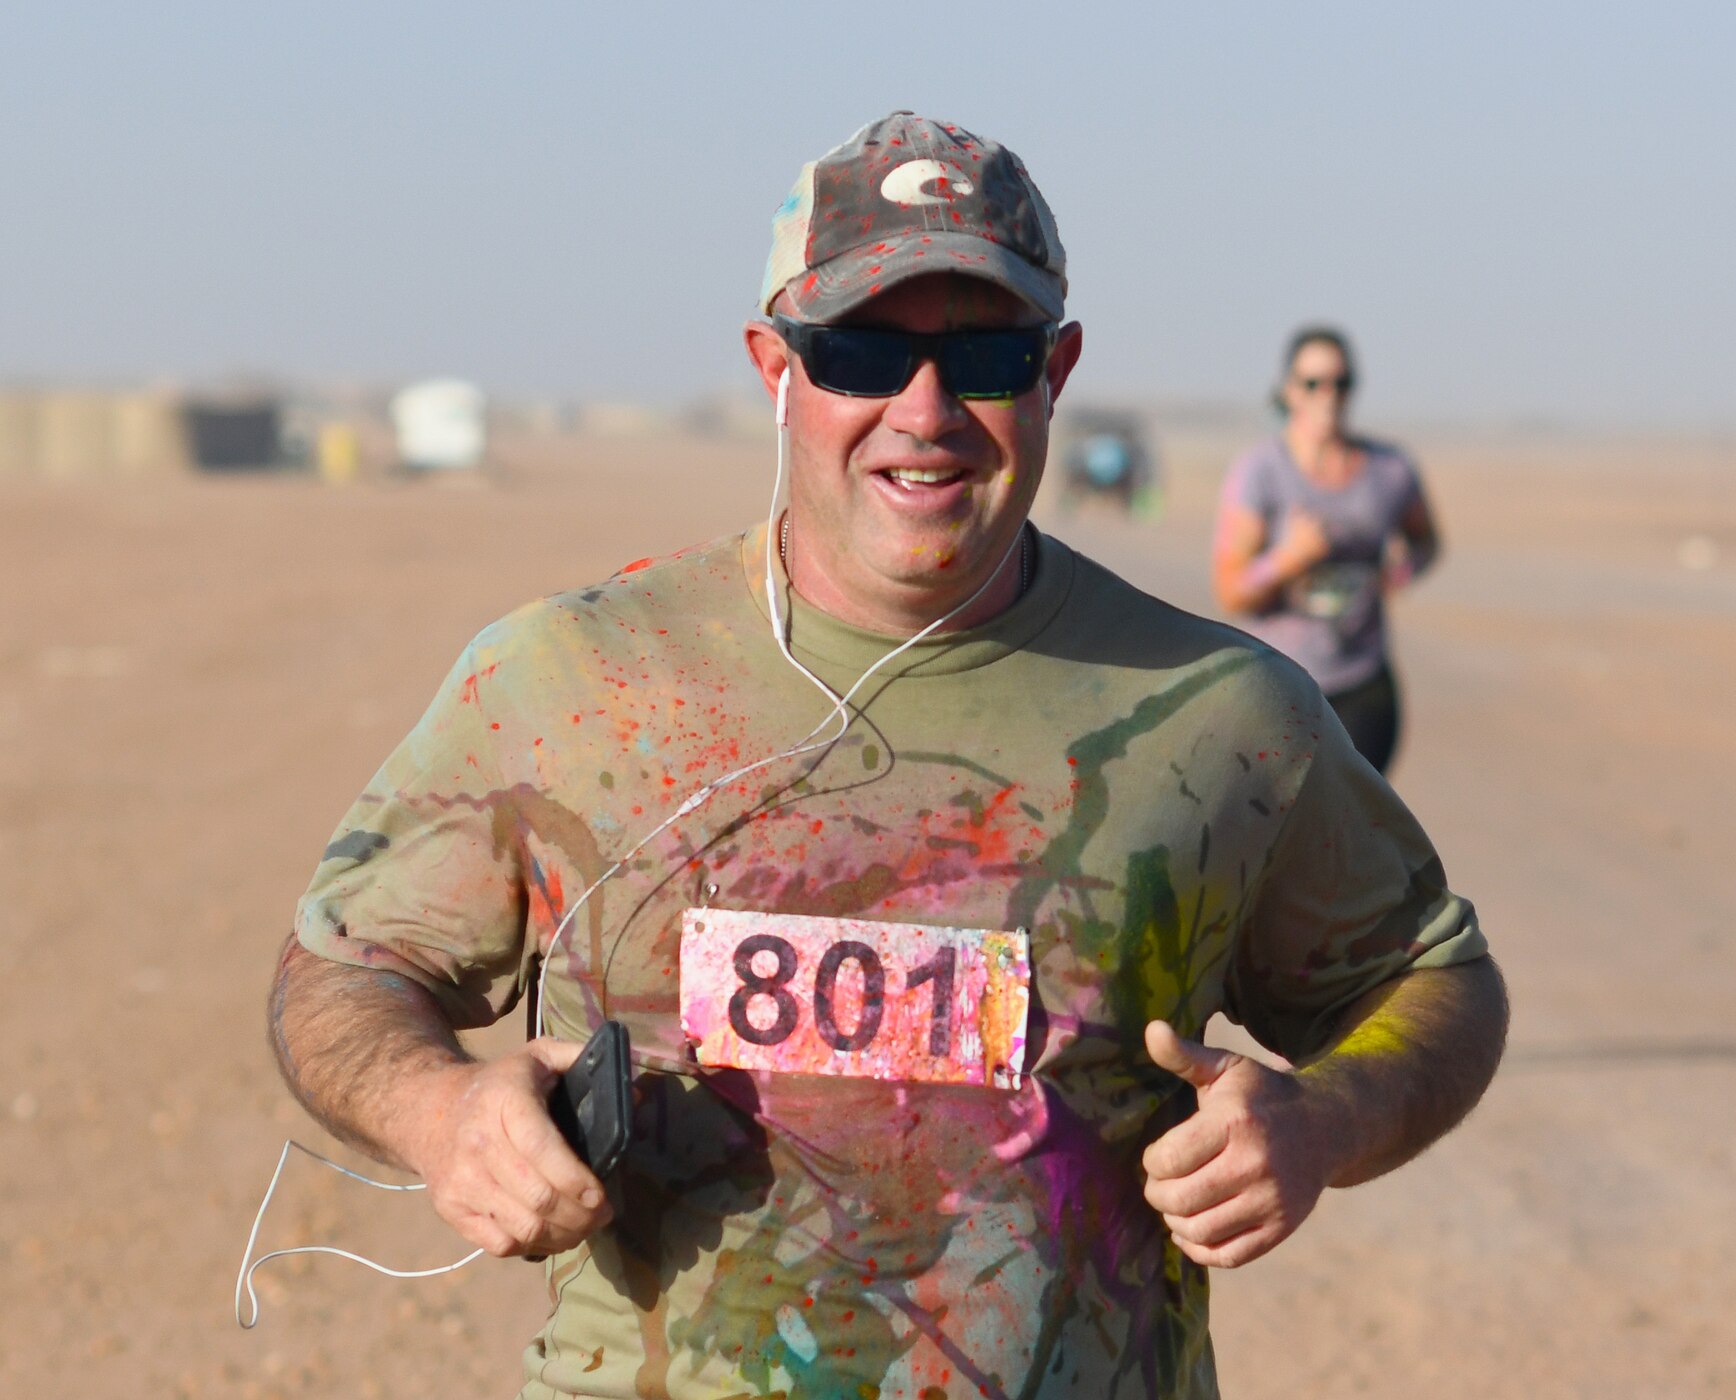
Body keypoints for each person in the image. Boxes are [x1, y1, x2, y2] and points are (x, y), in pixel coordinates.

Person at [267, 112, 1506, 1400]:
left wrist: (1324, 1119)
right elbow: (344, 967)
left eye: (983, 353)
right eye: (861, 352)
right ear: (775, 367)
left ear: (1055, 371)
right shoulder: (571, 682)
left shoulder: (1219, 713)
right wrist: (439, 1110)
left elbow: (1433, 980)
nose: (925, 411)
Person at [1211, 327, 1442, 774]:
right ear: (1289, 391)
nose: (1328, 395)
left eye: (1341, 383)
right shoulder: (1259, 473)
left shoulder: (1389, 470)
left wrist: (1399, 573)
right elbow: (1231, 592)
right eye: (1313, 383)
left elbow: (1427, 541)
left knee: (1351, 835)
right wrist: (1289, 557)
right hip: (1279, 688)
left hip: (1363, 685)